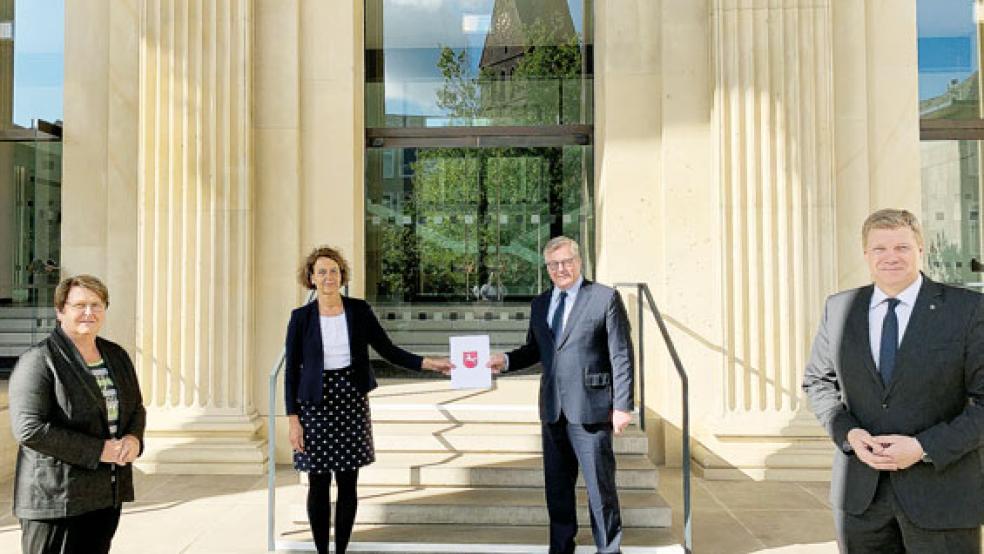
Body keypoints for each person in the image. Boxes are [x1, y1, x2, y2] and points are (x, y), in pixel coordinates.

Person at [803, 209, 984, 553]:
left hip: (942, 496)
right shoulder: (840, 308)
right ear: (866, 255)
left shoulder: (968, 309)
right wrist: (848, 433)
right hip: (860, 500)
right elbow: (819, 382)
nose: (890, 257)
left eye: (902, 247)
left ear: (921, 249)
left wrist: (923, 447)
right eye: (879, 249)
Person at [284, 246, 452, 554]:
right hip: (314, 405)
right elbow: (291, 373)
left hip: (351, 400)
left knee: (348, 483)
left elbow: (388, 350)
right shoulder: (300, 318)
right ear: (311, 278)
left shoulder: (359, 311)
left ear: (342, 275)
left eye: (334, 271)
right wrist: (293, 420)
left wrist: (429, 363)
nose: (328, 277)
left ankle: (342, 550)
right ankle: (322, 551)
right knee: (318, 484)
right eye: (321, 272)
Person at [488, 236, 634, 554]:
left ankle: (608, 549)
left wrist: (623, 405)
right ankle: (561, 548)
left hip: (591, 408)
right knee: (557, 489)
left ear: (579, 262)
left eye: (566, 262)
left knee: (600, 489)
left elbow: (621, 353)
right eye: (553, 264)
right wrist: (507, 360)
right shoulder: (540, 303)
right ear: (547, 268)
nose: (560, 269)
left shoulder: (603, 298)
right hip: (553, 409)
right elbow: (534, 350)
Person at [9, 274, 146, 554]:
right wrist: (99, 451)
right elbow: (29, 429)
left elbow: (135, 408)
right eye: (79, 305)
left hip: (105, 495)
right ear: (60, 311)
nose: (89, 312)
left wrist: (134, 438)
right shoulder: (38, 360)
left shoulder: (115, 356)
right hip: (54, 500)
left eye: (96, 305)